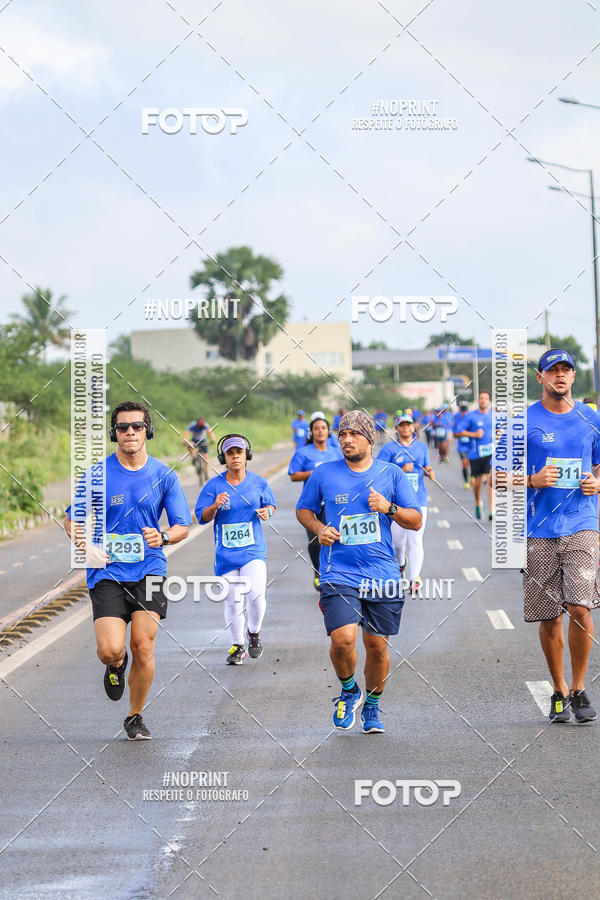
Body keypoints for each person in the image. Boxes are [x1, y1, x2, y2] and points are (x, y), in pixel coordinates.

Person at [64, 401, 191, 740]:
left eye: (137, 426)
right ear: (114, 433)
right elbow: (71, 518)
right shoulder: (96, 475)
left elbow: (182, 525)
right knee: (110, 649)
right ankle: (115, 666)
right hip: (107, 573)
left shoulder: (164, 475)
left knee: (143, 646)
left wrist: (163, 536)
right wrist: (86, 547)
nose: (130, 432)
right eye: (123, 427)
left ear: (148, 430)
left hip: (150, 570)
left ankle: (135, 716)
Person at [296, 410, 422, 734]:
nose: (346, 440)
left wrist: (388, 508)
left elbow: (415, 519)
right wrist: (319, 527)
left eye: (353, 434)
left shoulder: (391, 474)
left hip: (382, 573)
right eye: (342, 434)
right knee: (343, 639)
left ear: (371, 438)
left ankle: (373, 706)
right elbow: (303, 509)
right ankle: (349, 689)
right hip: (338, 572)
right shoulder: (324, 473)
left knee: (377, 646)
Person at [493, 349, 600, 724]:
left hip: (583, 522)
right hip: (538, 528)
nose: (560, 375)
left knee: (580, 607)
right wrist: (532, 480)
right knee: (551, 615)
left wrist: (596, 481)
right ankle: (558, 689)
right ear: (540, 377)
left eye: (566, 370)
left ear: (573, 377)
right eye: (553, 370)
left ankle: (579, 688)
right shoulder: (522, 421)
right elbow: (497, 476)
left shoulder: (590, 418)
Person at [195, 434, 276, 665]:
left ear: (246, 455)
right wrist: (215, 506)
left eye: (239, 452)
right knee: (232, 600)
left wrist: (267, 512)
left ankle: (254, 633)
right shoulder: (214, 486)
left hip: (253, 551)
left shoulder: (259, 483)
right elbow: (201, 516)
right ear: (224, 458)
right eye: (230, 453)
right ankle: (237, 645)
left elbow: (270, 505)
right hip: (226, 555)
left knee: (256, 595)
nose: (235, 457)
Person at [378, 414, 435, 593]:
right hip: (396, 503)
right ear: (397, 428)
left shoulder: (421, 447)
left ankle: (414, 578)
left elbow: (427, 466)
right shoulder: (389, 449)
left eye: (408, 425)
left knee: (416, 539)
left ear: (414, 427)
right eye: (401, 425)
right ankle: (401, 564)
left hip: (418, 500)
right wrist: (400, 470)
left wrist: (429, 472)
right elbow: (379, 472)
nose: (405, 428)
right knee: (397, 543)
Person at [288, 412, 343, 591]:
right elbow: (294, 475)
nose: (320, 431)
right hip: (311, 503)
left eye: (323, 428)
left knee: (333, 537)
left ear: (328, 432)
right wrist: (314, 473)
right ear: (311, 432)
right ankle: (318, 572)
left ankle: (333, 573)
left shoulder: (336, 452)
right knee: (315, 541)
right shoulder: (303, 452)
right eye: (316, 428)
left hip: (332, 502)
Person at [455, 390, 494, 519]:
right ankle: (478, 502)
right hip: (475, 454)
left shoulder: (494, 415)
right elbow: (457, 432)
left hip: (490, 453)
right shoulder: (471, 416)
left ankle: (491, 509)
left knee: (490, 480)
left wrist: (500, 433)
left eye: (486, 398)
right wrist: (474, 434)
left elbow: (502, 429)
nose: (483, 401)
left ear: (489, 401)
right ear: (478, 401)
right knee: (477, 482)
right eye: (481, 398)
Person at [183, 417, 216, 485]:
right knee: (190, 445)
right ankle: (194, 458)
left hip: (203, 441)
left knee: (206, 457)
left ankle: (206, 472)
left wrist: (212, 439)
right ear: (197, 425)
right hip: (194, 441)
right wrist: (184, 441)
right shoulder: (192, 425)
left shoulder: (205, 425)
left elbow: (210, 433)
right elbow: (186, 434)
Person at [452, 401, 472, 489]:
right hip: (462, 446)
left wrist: (468, 433)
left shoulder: (472, 418)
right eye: (462, 410)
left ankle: (473, 477)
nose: (464, 412)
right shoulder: (457, 419)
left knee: (472, 463)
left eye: (465, 410)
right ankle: (466, 481)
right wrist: (462, 434)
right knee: (464, 464)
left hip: (472, 445)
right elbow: (454, 434)